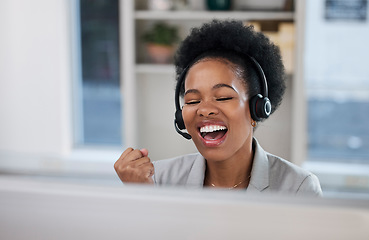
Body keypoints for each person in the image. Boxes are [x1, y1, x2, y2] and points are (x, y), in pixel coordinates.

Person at [114, 20, 322, 196]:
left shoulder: (298, 188)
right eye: (193, 101)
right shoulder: (157, 179)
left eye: (223, 97)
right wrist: (142, 195)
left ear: (257, 108)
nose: (204, 110)